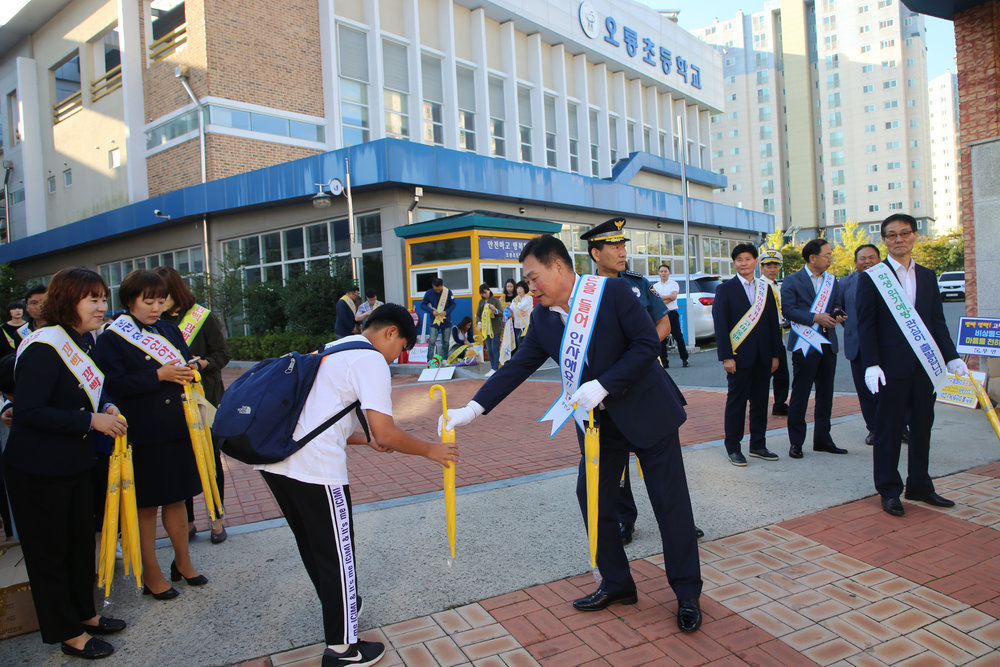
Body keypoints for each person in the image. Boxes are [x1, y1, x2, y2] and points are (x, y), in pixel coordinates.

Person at [441, 235, 703, 634]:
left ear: (559, 268)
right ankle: (617, 583)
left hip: (648, 412)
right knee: (593, 497)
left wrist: (605, 384)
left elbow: (647, 343)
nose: (530, 287)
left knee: (670, 503)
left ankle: (687, 593)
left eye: (533, 277)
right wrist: (473, 409)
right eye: (526, 281)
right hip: (599, 427)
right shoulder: (544, 318)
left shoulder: (611, 291)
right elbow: (518, 366)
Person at [257, 304, 458, 667]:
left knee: (315, 547)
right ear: (391, 333)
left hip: (277, 463)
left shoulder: (335, 349)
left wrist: (371, 441)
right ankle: (342, 649)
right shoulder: (371, 361)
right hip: (316, 470)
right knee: (338, 555)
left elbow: (333, 424)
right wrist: (431, 450)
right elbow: (385, 430)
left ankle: (341, 608)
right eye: (401, 349)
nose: (398, 358)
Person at [3, 268, 128, 660]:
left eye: (103, 298)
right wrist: (91, 420)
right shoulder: (45, 346)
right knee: (50, 553)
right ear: (68, 301)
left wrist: (104, 405)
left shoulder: (82, 341)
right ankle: (68, 632)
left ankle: (86, 614)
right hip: (38, 468)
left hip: (73, 461)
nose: (102, 306)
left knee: (78, 545)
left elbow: (85, 391)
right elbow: (28, 410)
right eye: (93, 299)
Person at [94, 270, 207, 600]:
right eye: (149, 301)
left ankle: (183, 563)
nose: (156, 307)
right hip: (142, 432)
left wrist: (192, 368)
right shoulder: (112, 338)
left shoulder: (167, 329)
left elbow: (186, 359)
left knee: (177, 498)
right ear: (130, 301)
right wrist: (157, 374)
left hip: (176, 426)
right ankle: (151, 573)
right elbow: (109, 385)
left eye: (161, 300)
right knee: (145, 506)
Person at [856, 214, 966, 517]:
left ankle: (920, 484)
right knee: (889, 429)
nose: (898, 240)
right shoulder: (873, 276)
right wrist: (872, 364)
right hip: (890, 367)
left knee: (921, 427)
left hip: (925, 367)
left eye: (904, 234)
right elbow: (867, 324)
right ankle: (889, 489)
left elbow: (936, 322)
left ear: (915, 236)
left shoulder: (929, 276)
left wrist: (951, 356)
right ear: (884, 240)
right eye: (891, 235)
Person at [580, 218, 679, 546]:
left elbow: (662, 322)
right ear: (596, 253)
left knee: (661, 456)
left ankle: (676, 518)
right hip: (608, 389)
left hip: (645, 380)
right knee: (615, 460)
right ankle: (625, 519)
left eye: (624, 245)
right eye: (615, 247)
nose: (623, 252)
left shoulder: (638, 284)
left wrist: (642, 353)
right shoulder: (584, 293)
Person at [154, 265, 232, 544]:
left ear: (175, 291)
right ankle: (186, 521)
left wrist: (202, 362)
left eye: (162, 295)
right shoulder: (153, 323)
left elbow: (222, 354)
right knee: (180, 461)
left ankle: (216, 517)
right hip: (172, 402)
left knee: (210, 459)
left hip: (204, 398)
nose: (158, 302)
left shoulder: (202, 317)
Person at [712, 243, 783, 466]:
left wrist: (775, 354)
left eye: (748, 259)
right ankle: (733, 447)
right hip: (738, 356)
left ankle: (758, 445)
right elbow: (721, 325)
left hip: (763, 356)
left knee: (761, 402)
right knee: (737, 403)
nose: (744, 263)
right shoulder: (725, 289)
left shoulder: (765, 289)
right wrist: (726, 356)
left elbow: (773, 324)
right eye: (739, 259)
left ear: (755, 262)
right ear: (734, 263)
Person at [781, 239, 848, 459]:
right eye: (827, 255)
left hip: (828, 344)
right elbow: (788, 310)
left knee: (826, 393)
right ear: (812, 258)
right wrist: (814, 317)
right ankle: (796, 442)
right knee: (801, 394)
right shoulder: (792, 280)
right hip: (804, 344)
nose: (830, 259)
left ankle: (823, 438)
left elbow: (837, 303)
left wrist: (837, 314)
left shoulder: (832, 280)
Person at [840, 244, 882, 446]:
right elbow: (837, 307)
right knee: (865, 391)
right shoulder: (846, 282)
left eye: (871, 257)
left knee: (891, 390)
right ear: (856, 262)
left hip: (885, 347)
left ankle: (900, 428)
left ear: (879, 259)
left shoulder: (889, 282)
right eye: (862, 258)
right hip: (856, 345)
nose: (867, 262)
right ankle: (873, 428)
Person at [758, 251, 789, 416]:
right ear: (762, 268)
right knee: (765, 370)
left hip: (780, 330)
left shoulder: (779, 286)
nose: (772, 269)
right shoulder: (759, 286)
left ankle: (780, 402)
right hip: (765, 332)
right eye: (768, 266)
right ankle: (757, 401)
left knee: (782, 371)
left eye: (775, 265)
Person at [653, 264, 690, 368]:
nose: (663, 273)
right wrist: (666, 298)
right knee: (661, 338)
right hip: (661, 314)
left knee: (678, 336)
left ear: (669, 273)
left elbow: (673, 297)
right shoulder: (655, 286)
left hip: (672, 313)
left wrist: (661, 299)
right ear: (658, 273)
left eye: (665, 271)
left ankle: (684, 358)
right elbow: (655, 299)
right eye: (661, 271)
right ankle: (664, 362)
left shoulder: (674, 284)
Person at [419, 278, 455, 361]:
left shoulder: (448, 292)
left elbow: (453, 304)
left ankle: (444, 359)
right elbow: (422, 305)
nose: (438, 290)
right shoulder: (429, 293)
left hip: (446, 320)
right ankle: (429, 360)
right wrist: (431, 311)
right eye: (436, 289)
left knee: (446, 341)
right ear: (433, 286)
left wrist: (446, 312)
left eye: (439, 289)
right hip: (434, 320)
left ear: (442, 286)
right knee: (432, 341)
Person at [477, 284, 503, 371]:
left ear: (489, 290)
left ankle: (495, 368)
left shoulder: (495, 301)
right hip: (485, 329)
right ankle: (493, 368)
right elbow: (478, 315)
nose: (484, 295)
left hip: (495, 329)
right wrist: (479, 322)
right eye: (482, 293)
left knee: (495, 348)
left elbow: (501, 313)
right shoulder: (481, 302)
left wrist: (494, 310)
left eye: (485, 292)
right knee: (489, 349)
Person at [510, 281, 533, 347]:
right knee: (519, 345)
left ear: (524, 289)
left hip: (526, 326)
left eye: (520, 288)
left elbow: (522, 307)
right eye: (517, 288)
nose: (518, 290)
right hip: (517, 325)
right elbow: (511, 310)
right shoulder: (515, 299)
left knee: (526, 346)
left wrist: (517, 302)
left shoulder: (528, 298)